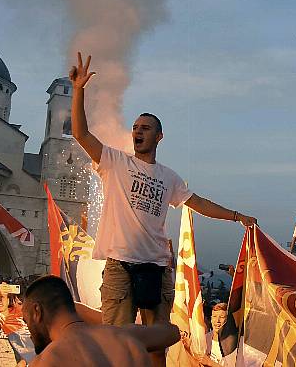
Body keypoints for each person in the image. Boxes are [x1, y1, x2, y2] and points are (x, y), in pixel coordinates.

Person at [70, 52, 257, 330]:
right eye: (135, 128)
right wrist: (78, 90)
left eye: (145, 128)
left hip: (156, 266)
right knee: (117, 338)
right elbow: (81, 134)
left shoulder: (169, 177)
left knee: (156, 340)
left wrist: (236, 216)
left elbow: (200, 203)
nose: (137, 131)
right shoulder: (115, 161)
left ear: (158, 137)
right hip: (120, 266)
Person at [22, 276, 180, 367]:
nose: (30, 333)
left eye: (26, 320)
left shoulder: (46, 362)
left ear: (37, 311)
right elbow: (173, 333)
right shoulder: (128, 336)